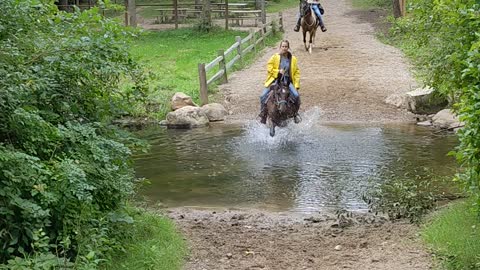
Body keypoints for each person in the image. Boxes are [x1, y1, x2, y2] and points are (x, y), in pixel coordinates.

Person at [258, 40, 300, 124]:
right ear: (280, 47)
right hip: (275, 79)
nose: (284, 48)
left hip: (287, 80)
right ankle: (263, 114)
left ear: (288, 48)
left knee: (296, 95)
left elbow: (296, 72)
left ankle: (295, 113)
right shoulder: (275, 57)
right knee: (262, 96)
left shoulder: (293, 59)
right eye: (283, 46)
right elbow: (269, 67)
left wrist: (296, 84)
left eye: (286, 47)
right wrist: (278, 71)